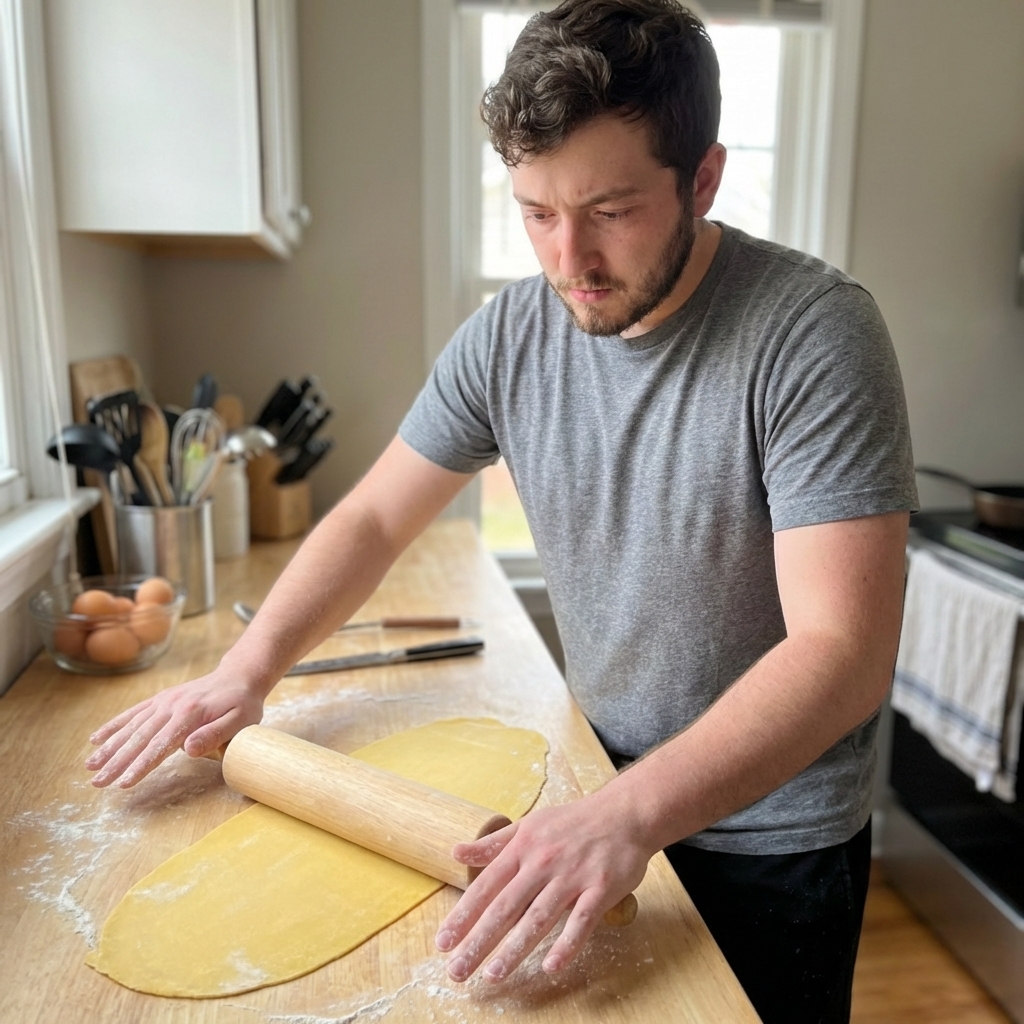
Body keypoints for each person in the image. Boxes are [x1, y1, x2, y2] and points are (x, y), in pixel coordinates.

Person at [85, 2, 917, 1021]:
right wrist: (246, 671)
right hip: (600, 789)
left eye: (610, 209)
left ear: (702, 177)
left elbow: (842, 653)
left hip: (767, 841)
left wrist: (625, 813)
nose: (567, 259)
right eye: (534, 211)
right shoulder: (512, 332)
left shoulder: (813, 335)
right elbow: (372, 521)